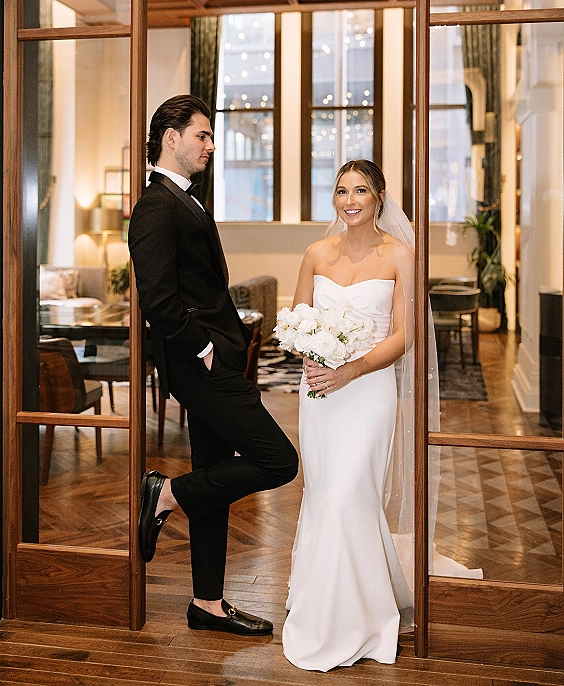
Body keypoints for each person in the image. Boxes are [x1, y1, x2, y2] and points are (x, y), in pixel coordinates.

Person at [281, 159, 480, 672]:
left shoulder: (401, 255)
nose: (350, 200)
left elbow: (404, 334)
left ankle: (361, 618)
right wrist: (313, 353)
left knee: (351, 493)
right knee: (325, 494)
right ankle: (320, 602)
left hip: (368, 391)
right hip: (320, 392)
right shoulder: (315, 253)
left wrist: (349, 370)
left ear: (380, 197)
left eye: (361, 191)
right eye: (342, 190)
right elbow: (298, 318)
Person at [129, 94, 298, 637]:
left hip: (212, 359)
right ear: (170, 139)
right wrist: (202, 349)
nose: (210, 144)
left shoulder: (186, 200)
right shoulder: (156, 206)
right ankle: (167, 494)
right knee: (279, 460)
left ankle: (208, 603)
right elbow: (158, 298)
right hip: (202, 368)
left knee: (214, 475)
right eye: (201, 135)